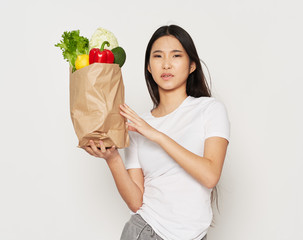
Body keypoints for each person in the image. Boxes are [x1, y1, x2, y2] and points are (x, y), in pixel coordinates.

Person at [83, 25, 230, 240]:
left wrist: (156, 135)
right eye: (158, 56)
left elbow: (210, 176)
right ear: (149, 67)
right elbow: (136, 202)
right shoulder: (138, 125)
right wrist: (112, 158)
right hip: (146, 232)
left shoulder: (210, 110)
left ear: (191, 66)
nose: (166, 64)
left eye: (176, 56)